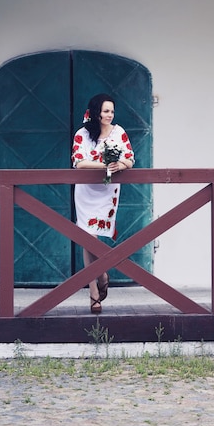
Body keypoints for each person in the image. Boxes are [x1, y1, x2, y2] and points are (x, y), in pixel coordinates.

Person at [72, 93, 135, 313]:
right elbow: (79, 163)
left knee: (94, 236)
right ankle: (95, 287)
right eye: (106, 111)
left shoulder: (119, 133)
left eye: (112, 111)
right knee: (87, 237)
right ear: (96, 112)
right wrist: (106, 166)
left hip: (107, 193)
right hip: (86, 192)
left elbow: (130, 158)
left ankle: (100, 274)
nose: (109, 115)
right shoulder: (82, 134)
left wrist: (121, 164)